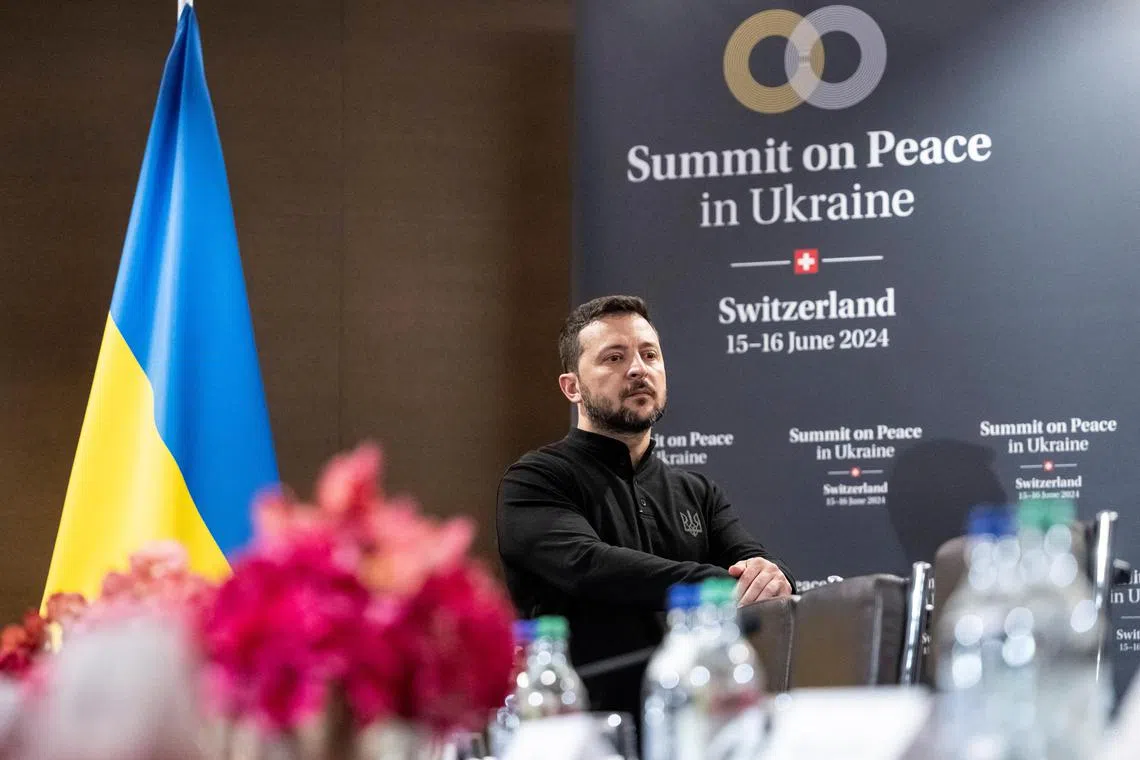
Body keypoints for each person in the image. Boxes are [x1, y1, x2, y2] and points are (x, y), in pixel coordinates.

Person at [496, 295, 794, 716]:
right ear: (572, 387)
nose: (637, 369)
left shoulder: (698, 492)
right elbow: (589, 566)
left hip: (697, 727)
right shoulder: (536, 480)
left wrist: (771, 576)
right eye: (614, 358)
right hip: (580, 728)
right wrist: (720, 586)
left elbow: (752, 566)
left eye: (648, 354)